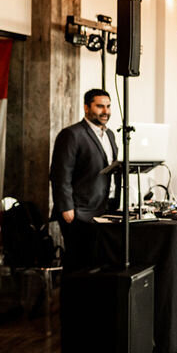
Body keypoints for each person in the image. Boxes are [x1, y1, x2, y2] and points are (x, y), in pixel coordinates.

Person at [50, 88, 119, 271]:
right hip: (79, 211)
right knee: (77, 265)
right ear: (86, 108)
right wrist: (66, 207)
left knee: (98, 263)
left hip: (104, 207)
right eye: (100, 106)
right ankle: (72, 300)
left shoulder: (110, 134)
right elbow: (60, 174)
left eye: (108, 106)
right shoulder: (71, 134)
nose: (105, 111)